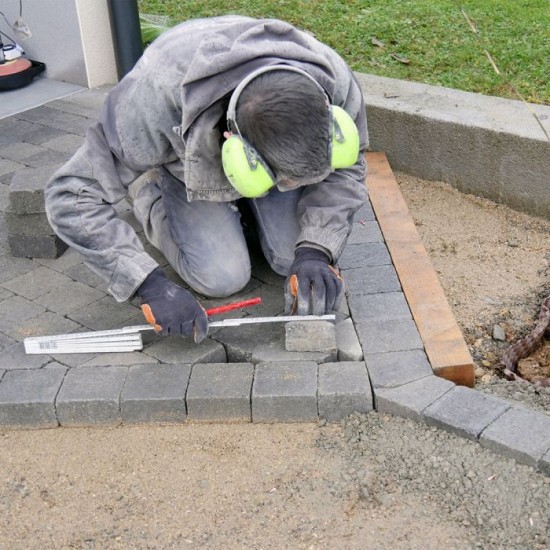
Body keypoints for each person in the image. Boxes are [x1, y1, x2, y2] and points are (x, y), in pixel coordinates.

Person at [45, 15, 369, 343]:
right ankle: (149, 191)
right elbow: (70, 194)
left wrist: (316, 248)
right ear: (235, 144)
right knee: (221, 279)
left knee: (291, 258)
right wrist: (147, 283)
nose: (287, 188)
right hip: (185, 165)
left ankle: (252, 215)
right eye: (280, 179)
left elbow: (348, 168)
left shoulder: (332, 77)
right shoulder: (153, 99)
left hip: (253, 145)